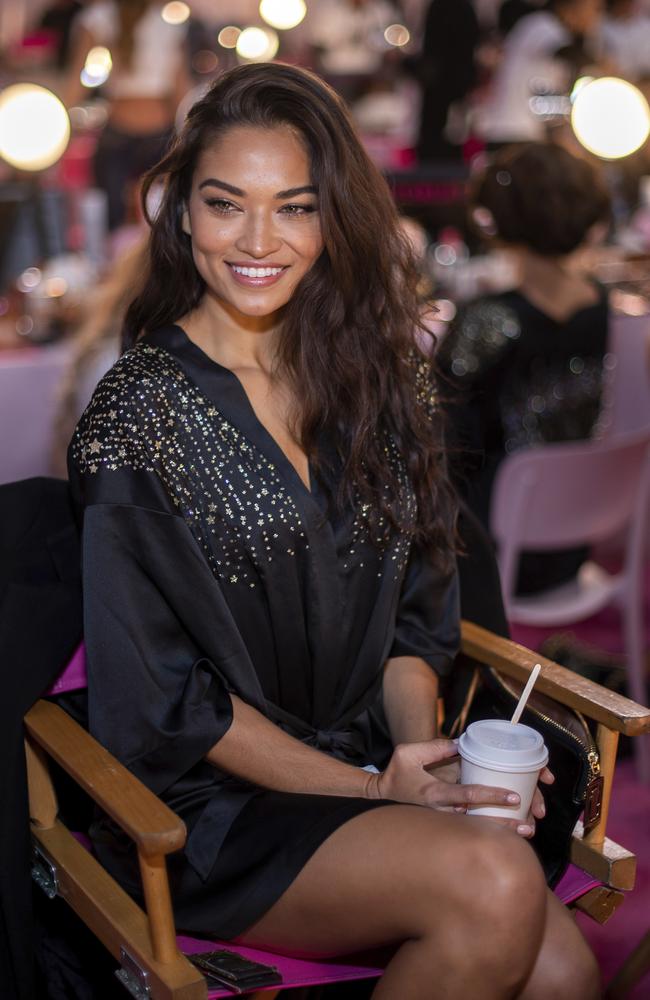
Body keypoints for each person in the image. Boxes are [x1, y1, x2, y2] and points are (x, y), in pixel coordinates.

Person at [67, 63, 599, 998]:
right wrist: (369, 791)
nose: (259, 240)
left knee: (562, 969)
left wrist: (421, 766)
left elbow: (416, 625)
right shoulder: (138, 411)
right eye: (227, 204)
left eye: (295, 208)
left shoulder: (380, 383)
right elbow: (165, 705)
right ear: (182, 212)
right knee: (493, 889)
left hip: (370, 766)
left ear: (332, 220)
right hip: (221, 807)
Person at [437, 141, 611, 595]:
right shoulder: (604, 306)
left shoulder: (491, 319)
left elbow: (443, 441)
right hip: (576, 528)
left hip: (490, 549)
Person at [64, 0, 191, 229]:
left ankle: (116, 261)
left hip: (120, 128)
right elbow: (180, 88)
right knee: (161, 217)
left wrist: (60, 120)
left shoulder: (97, 18)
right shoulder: (170, 20)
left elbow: (76, 80)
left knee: (113, 216)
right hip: (159, 130)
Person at [477, 0, 605, 146]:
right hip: (509, 130)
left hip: (529, 133)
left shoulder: (561, 33)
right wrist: (603, 64)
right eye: (595, 9)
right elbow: (565, 52)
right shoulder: (541, 25)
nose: (597, 17)